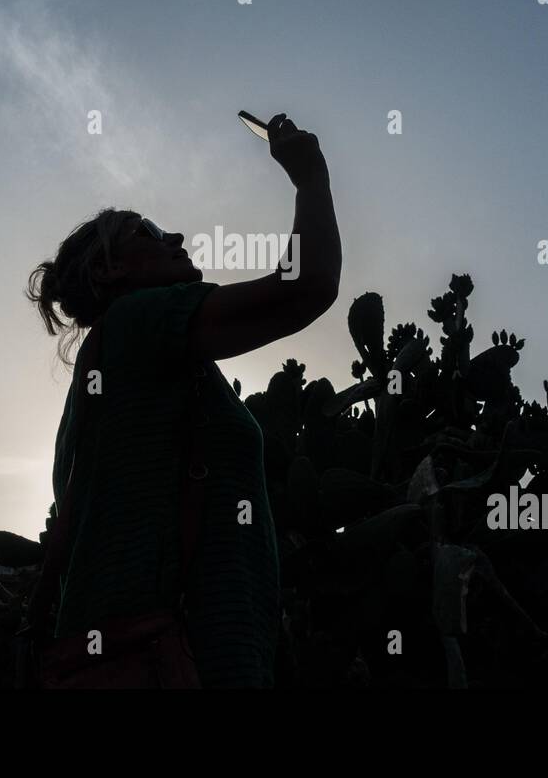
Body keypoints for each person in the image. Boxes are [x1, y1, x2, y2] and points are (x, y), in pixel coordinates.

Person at [25, 114, 341, 687]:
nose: (174, 238)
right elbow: (305, 287)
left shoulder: (108, 383)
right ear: (108, 267)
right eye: (146, 233)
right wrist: (309, 176)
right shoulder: (138, 319)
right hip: (177, 661)